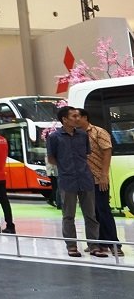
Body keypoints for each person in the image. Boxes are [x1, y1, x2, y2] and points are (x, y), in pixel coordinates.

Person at [48, 106, 106, 258]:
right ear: (64, 119)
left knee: (91, 215)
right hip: (67, 180)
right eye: (74, 116)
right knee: (68, 216)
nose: (77, 118)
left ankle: (94, 246)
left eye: (78, 116)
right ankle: (72, 246)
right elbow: (51, 158)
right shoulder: (54, 137)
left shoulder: (82, 135)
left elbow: (86, 154)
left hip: (85, 178)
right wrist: (64, 166)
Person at [77, 108, 123, 256]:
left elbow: (107, 152)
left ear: (85, 117)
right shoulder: (76, 135)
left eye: (77, 116)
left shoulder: (98, 132)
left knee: (103, 210)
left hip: (98, 178)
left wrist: (104, 175)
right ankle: (99, 243)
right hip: (84, 180)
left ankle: (114, 244)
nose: (75, 119)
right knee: (92, 213)